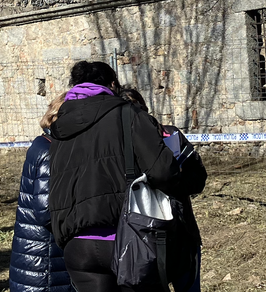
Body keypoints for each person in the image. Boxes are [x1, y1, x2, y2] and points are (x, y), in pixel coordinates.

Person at [49, 60, 179, 292]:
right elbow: (163, 171)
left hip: (77, 246)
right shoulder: (128, 114)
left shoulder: (60, 126)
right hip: (129, 238)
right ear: (112, 85)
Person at [119, 88, 207, 292]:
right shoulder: (117, 147)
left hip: (183, 233)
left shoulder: (171, 134)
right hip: (142, 237)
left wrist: (171, 183)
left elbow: (198, 177)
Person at [8, 95, 71, 292]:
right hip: (44, 259)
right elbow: (46, 211)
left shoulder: (45, 144)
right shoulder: (50, 152)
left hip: (39, 254)